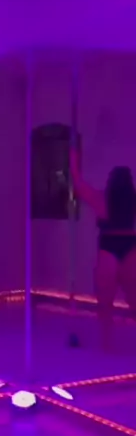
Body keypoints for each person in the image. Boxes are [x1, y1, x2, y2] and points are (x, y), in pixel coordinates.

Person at [70, 149, 136, 349]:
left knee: (106, 301)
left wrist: (73, 159)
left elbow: (79, 184)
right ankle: (107, 342)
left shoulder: (103, 199)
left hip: (110, 246)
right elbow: (80, 185)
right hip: (129, 245)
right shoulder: (126, 202)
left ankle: (107, 342)